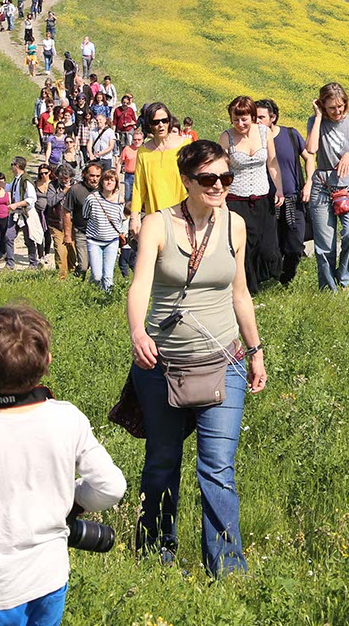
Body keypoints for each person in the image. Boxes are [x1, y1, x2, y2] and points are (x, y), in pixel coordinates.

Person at [0, 305, 126, 624]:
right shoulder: (67, 417)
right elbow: (111, 487)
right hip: (49, 578)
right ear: (47, 360)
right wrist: (73, 499)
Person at [125, 139, 267, 574]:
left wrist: (256, 351)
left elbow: (240, 293)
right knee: (163, 461)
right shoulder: (157, 225)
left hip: (225, 361)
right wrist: (136, 332)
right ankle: (155, 553)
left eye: (227, 178)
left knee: (218, 468)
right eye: (209, 179)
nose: (220, 186)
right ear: (186, 181)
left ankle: (226, 566)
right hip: (163, 365)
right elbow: (140, 287)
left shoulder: (235, 226)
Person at [304, 83, 349, 291]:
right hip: (321, 187)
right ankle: (328, 290)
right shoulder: (316, 121)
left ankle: (345, 278)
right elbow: (311, 149)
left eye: (341, 106)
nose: (338, 111)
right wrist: (319, 117)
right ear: (323, 105)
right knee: (324, 245)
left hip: (348, 186)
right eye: (332, 107)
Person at [220, 97, 285, 294]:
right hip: (235, 200)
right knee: (243, 247)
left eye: (244, 119)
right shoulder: (226, 137)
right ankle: (247, 290)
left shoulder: (264, 133)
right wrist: (221, 199)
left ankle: (261, 279)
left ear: (253, 117)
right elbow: (222, 171)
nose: (240, 124)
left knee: (267, 247)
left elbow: (272, 164)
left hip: (263, 199)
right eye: (235, 120)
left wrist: (279, 189)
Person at [256, 99, 308, 285]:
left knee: (294, 247)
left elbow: (309, 157)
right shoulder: (253, 140)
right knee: (272, 247)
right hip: (267, 201)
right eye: (254, 117)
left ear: (273, 118)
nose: (257, 121)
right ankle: (273, 280)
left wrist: (308, 182)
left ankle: (286, 277)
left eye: (261, 117)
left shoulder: (290, 134)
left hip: (293, 198)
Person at [130, 102, 190, 245]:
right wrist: (134, 217)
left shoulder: (185, 145)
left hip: (184, 215)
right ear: (149, 124)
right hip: (156, 216)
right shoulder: (144, 152)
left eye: (165, 120)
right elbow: (139, 187)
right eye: (156, 122)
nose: (161, 125)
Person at [84, 168, 128, 293]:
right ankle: (91, 292)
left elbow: (122, 219)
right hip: (94, 240)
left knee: (108, 276)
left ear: (116, 183)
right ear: (102, 182)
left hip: (112, 241)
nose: (109, 182)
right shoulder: (92, 198)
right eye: (106, 180)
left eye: (112, 180)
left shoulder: (120, 200)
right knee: (97, 275)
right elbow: (85, 215)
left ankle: (106, 300)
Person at [62, 162, 102, 279]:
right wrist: (67, 234)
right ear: (85, 175)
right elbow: (66, 212)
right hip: (82, 232)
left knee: (96, 265)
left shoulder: (103, 190)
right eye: (92, 175)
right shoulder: (75, 190)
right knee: (84, 265)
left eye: (97, 176)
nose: (94, 179)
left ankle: (92, 289)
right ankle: (77, 282)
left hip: (100, 234)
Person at [8, 157, 43, 270]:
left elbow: (32, 199)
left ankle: (33, 263)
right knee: (8, 237)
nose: (11, 166)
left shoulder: (26, 180)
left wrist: (16, 204)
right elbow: (8, 187)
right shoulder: (16, 179)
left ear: (17, 165)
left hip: (25, 213)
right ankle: (10, 264)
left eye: (12, 164)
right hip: (16, 213)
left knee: (29, 239)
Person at [44, 166, 74, 280]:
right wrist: (64, 192)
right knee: (60, 252)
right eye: (62, 178)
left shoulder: (76, 185)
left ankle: (74, 275)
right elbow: (51, 202)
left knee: (73, 252)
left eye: (67, 178)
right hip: (57, 223)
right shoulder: (53, 185)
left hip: (73, 224)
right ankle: (62, 278)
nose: (64, 180)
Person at [121, 130, 142, 203]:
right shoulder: (127, 149)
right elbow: (120, 162)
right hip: (129, 176)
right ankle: (127, 212)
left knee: (139, 196)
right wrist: (117, 174)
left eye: (139, 139)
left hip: (140, 176)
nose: (137, 141)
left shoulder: (145, 150)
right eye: (135, 139)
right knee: (127, 197)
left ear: (142, 140)